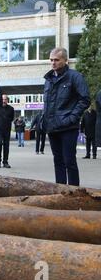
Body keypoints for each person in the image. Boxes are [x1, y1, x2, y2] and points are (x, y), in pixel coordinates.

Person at [42, 47, 90, 186]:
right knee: (58, 161)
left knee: (69, 161)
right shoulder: (48, 79)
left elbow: (85, 99)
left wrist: (72, 118)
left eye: (56, 60)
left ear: (65, 60)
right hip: (52, 127)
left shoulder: (75, 77)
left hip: (68, 127)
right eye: (51, 60)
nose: (53, 63)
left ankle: (74, 192)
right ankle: (60, 191)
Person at [0, 94, 14, 168]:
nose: (4, 101)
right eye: (3, 99)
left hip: (7, 130)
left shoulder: (11, 109)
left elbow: (12, 118)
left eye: (5, 99)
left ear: (7, 100)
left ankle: (5, 162)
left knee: (6, 146)